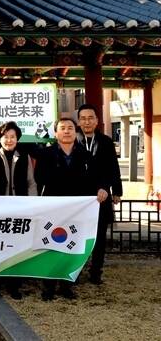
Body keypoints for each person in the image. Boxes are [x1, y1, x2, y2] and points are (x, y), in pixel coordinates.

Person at [34, 118, 108, 300]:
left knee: (71, 245)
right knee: (50, 246)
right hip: (53, 207)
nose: (66, 131)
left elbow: (99, 177)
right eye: (62, 128)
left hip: (77, 210)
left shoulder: (86, 154)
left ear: (75, 132)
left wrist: (102, 188)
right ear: (56, 133)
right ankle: (48, 287)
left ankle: (67, 285)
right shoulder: (46, 154)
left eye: (70, 128)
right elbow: (39, 178)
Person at [0, 121, 37, 300]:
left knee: (16, 249)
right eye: (6, 137)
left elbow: (31, 183)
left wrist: (32, 206)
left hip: (19, 210)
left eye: (13, 137)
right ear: (0, 139)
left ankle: (14, 286)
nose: (9, 140)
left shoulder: (24, 156)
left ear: (17, 139)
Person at [77, 104, 122, 285]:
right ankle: (76, 271)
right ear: (79, 121)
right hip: (78, 200)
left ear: (97, 120)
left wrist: (115, 190)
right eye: (83, 118)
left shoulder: (105, 141)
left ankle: (96, 272)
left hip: (101, 196)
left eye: (90, 118)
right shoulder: (72, 140)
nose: (87, 122)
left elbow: (113, 167)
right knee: (77, 236)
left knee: (99, 237)